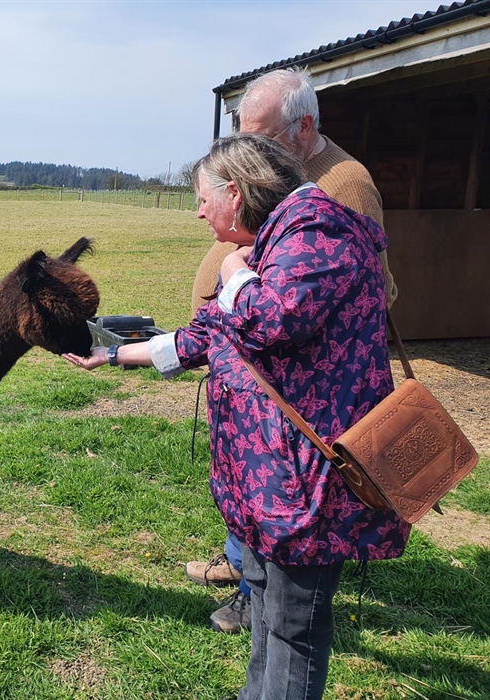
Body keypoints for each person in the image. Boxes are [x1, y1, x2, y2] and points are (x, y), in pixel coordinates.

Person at [64, 133, 409, 700]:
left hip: (311, 479)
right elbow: (210, 334)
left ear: (235, 190)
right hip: (274, 475)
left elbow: (273, 319)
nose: (199, 209)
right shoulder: (279, 240)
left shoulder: (316, 233)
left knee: (295, 623)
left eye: (203, 197)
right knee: (267, 606)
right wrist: (113, 354)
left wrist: (233, 273)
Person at [186, 67, 399, 633]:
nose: (250, 150)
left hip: (298, 401)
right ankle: (251, 579)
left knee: (289, 524)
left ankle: (263, 599)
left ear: (303, 128)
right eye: (244, 134)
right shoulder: (282, 181)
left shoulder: (343, 185)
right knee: (259, 496)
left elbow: (350, 293)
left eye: (262, 138)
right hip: (252, 369)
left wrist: (237, 283)